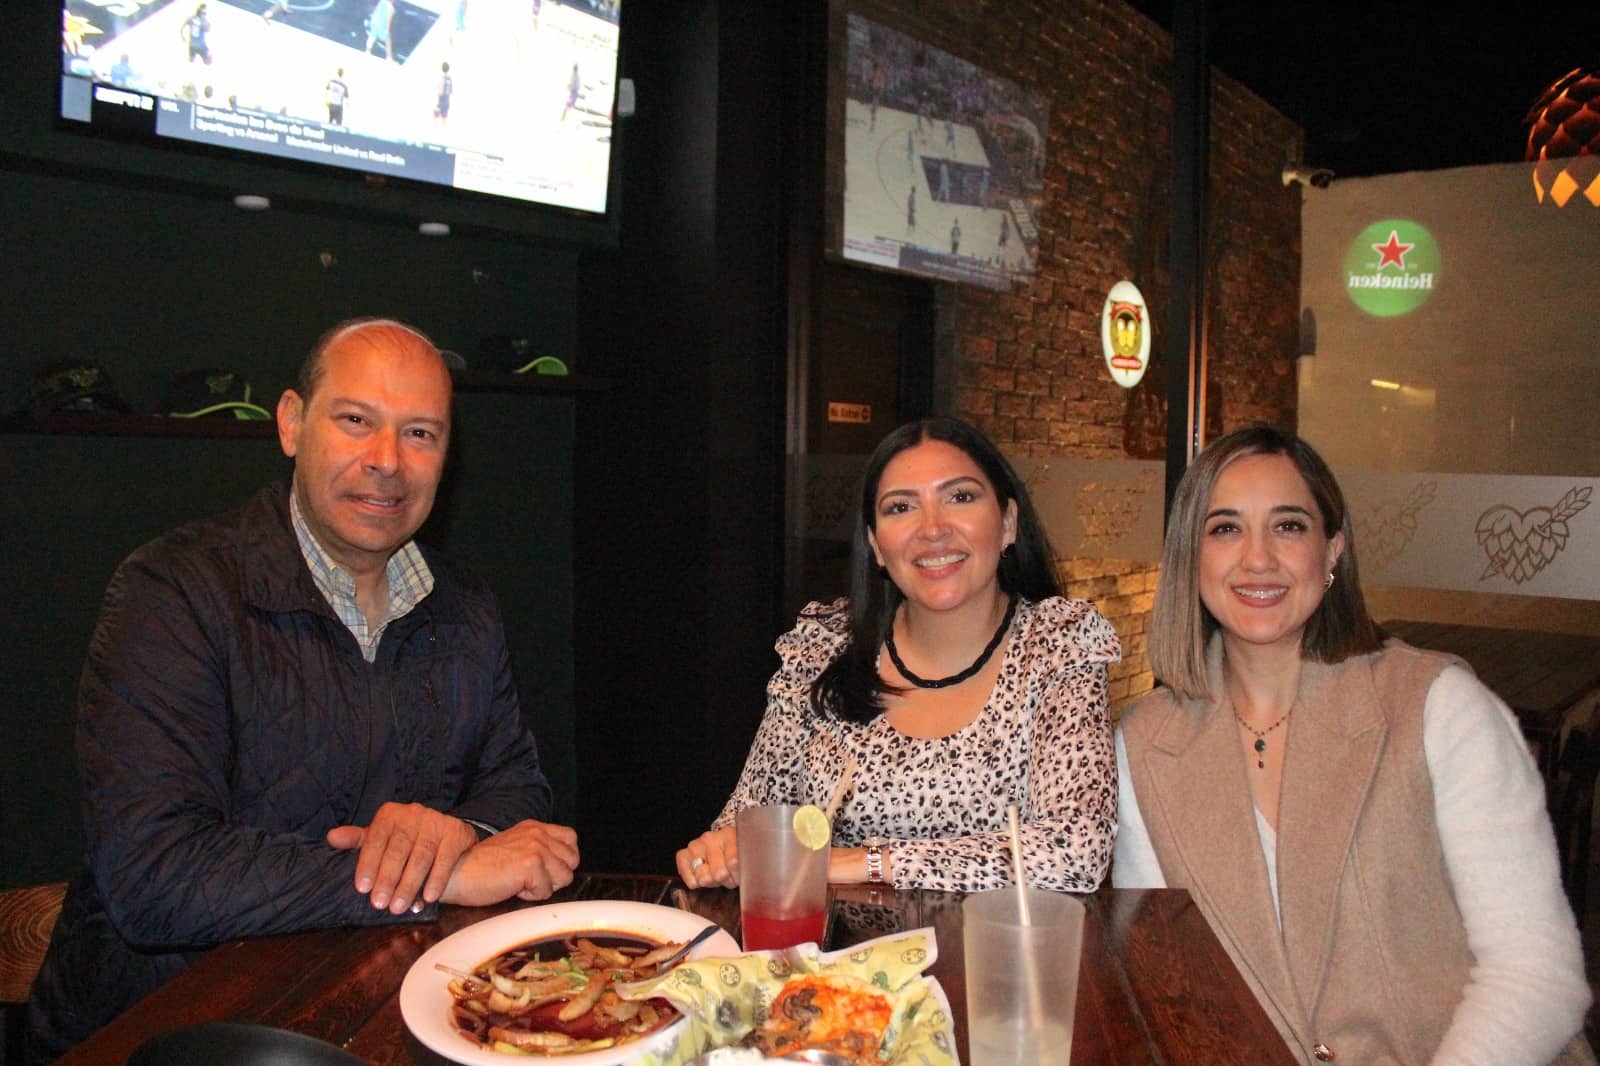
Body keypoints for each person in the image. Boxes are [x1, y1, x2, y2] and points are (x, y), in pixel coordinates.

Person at [28, 319, 580, 1059]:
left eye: (420, 434)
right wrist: (434, 876)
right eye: (356, 421)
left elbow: (516, 790)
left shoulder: (467, 608)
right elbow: (154, 875)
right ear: (291, 423)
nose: (387, 461)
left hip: (376, 1018)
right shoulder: (173, 592)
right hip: (161, 1037)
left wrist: (467, 835)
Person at [1113, 425, 1591, 1065]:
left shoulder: (1439, 706)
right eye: (1225, 528)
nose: (1258, 558)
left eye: (1288, 526)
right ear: (1189, 558)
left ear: (1332, 551)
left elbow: (1537, 974)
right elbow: (1169, 979)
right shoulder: (1145, 743)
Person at [678, 417, 1121, 893]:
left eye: (960, 497)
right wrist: (721, 851)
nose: (932, 529)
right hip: (832, 962)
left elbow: (1077, 850)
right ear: (876, 546)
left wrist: (864, 863)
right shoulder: (822, 648)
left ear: (1008, 522)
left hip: (992, 959)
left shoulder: (1059, 646)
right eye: (901, 507)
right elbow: (751, 815)